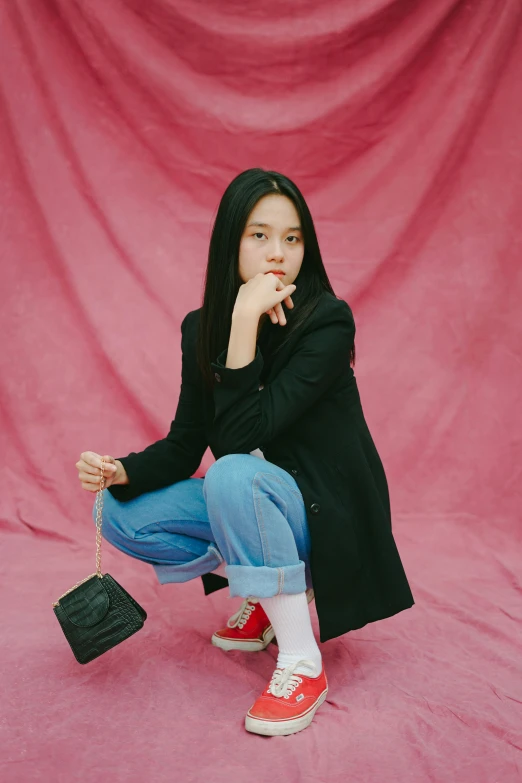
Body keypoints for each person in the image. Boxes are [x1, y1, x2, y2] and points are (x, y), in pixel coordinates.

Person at [75, 168, 414, 737]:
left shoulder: (326, 323)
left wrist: (242, 324)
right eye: (259, 235)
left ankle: (302, 663)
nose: (276, 253)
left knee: (232, 473)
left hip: (322, 515)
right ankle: (265, 594)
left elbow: (235, 439)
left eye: (292, 237)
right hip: (255, 498)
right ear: (230, 240)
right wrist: (122, 470)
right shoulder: (199, 329)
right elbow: (187, 444)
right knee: (116, 509)